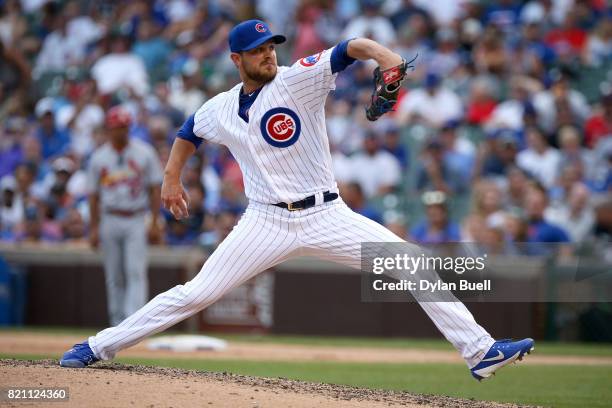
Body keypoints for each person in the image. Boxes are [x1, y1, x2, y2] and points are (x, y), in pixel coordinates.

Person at [60, 20, 534, 380]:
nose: (268, 54)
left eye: (270, 47)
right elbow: (188, 133)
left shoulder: (296, 80)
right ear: (235, 59)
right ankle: (97, 347)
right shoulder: (220, 108)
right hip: (264, 222)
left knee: (413, 264)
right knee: (195, 294)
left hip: (327, 214)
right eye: (257, 50)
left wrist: (386, 58)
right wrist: (170, 179)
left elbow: (352, 48)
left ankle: (480, 352)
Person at [85, 106, 163, 326]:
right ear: (109, 128)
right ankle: (116, 323)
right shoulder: (99, 157)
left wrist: (155, 222)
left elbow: (154, 189)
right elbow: (93, 196)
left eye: (125, 126)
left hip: (136, 217)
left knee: (135, 271)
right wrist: (93, 228)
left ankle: (134, 324)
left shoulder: (144, 152)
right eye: (117, 127)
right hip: (109, 217)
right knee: (114, 275)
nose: (121, 131)